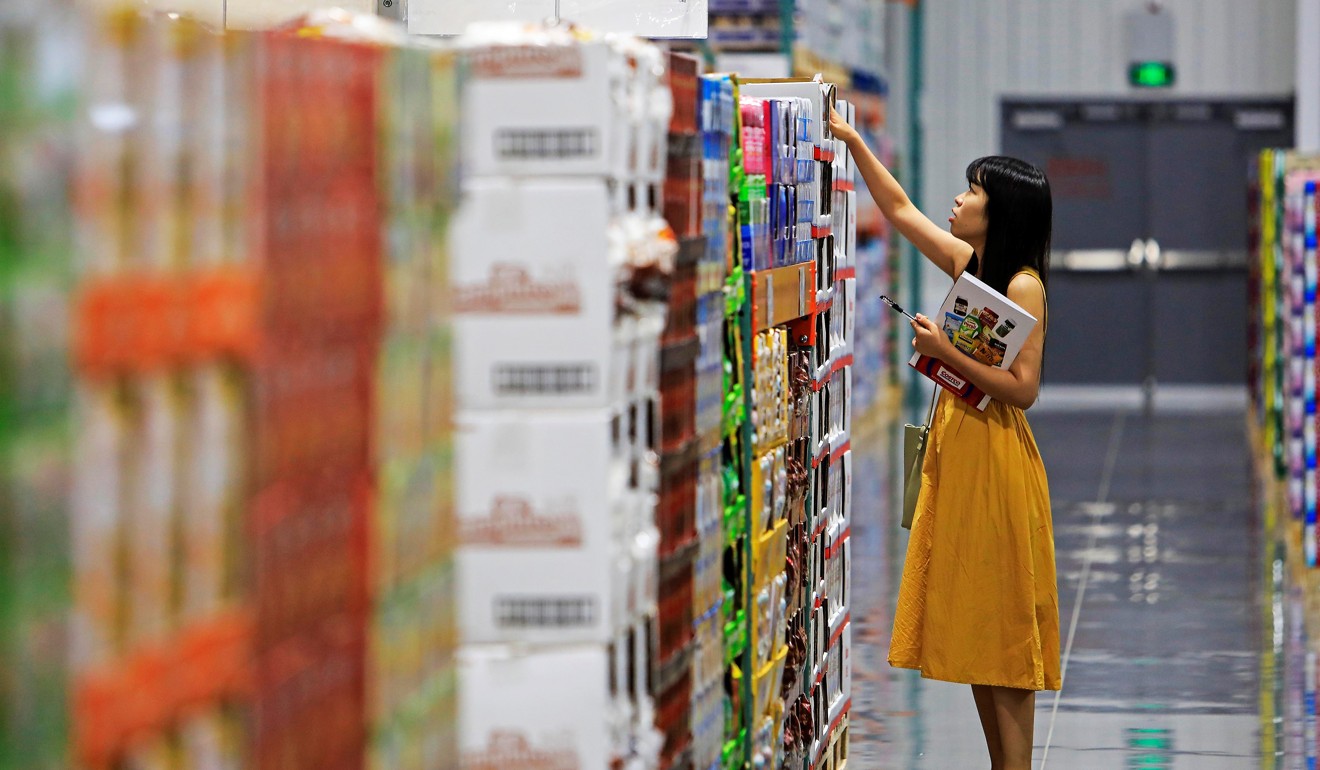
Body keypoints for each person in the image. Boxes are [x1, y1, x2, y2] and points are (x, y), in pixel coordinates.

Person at [830, 108, 1060, 770]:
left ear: (1002, 211)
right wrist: (852, 141)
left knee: (1004, 626)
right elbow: (899, 212)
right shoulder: (971, 265)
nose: (958, 199)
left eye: (974, 191)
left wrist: (945, 352)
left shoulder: (1021, 286)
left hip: (996, 459)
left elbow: (1023, 388)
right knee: (976, 619)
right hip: (957, 446)